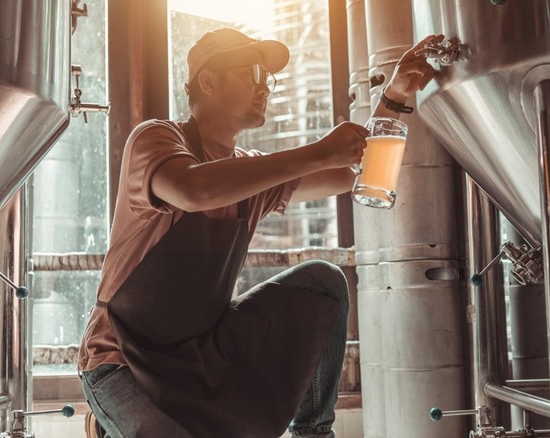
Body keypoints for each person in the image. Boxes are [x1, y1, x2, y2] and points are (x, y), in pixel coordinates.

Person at [78, 28, 442, 438]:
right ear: (208, 81)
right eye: (252, 72)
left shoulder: (253, 173)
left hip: (201, 357)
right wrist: (317, 151)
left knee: (323, 281)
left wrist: (394, 97)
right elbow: (194, 189)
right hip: (122, 361)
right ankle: (107, 424)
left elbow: (349, 174)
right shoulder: (157, 139)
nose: (263, 87)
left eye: (267, 78)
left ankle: (313, 434)